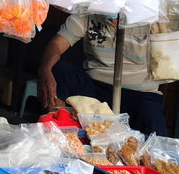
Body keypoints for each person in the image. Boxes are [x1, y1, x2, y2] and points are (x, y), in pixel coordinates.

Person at [37, 13, 167, 136]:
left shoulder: (150, 17)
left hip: (139, 95)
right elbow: (56, 45)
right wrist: (45, 69)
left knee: (152, 115)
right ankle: (57, 132)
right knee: (58, 69)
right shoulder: (88, 12)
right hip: (95, 88)